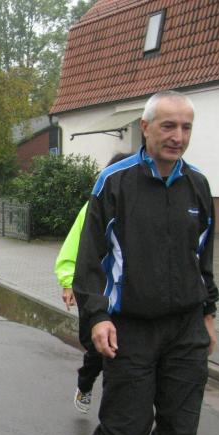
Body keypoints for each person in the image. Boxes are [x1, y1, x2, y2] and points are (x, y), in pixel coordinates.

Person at [72, 91, 218, 435]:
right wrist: (97, 316)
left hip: (185, 329)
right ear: (146, 127)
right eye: (168, 126)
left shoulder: (198, 185)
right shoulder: (115, 182)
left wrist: (209, 313)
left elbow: (204, 256)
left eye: (186, 127)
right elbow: (89, 258)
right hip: (130, 327)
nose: (178, 136)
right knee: (127, 430)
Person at [55, 153, 131, 413]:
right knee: (97, 350)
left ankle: (116, 411)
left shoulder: (140, 208)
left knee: (120, 353)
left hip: (126, 297)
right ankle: (85, 382)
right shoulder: (93, 208)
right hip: (95, 291)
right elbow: (74, 249)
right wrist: (68, 282)